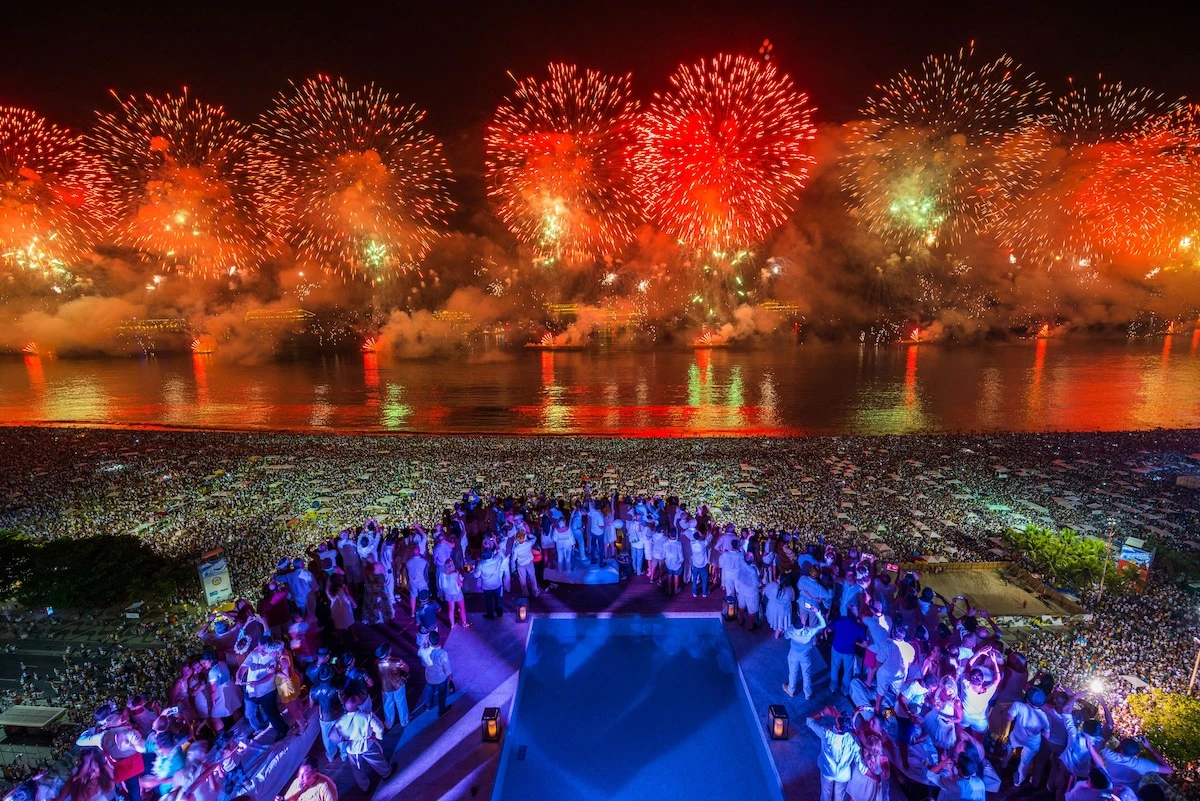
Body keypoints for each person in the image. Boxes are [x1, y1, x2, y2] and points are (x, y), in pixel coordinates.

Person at [330, 694, 391, 792]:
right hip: (368, 745)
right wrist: (377, 737)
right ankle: (387, 774)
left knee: (357, 769)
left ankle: (365, 787)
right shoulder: (367, 715)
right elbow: (379, 728)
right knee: (378, 760)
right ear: (357, 705)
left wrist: (344, 739)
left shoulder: (339, 721)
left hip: (352, 749)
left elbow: (332, 736)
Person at [237, 631, 290, 739]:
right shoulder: (254, 653)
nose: (259, 649)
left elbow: (271, 674)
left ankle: (282, 730)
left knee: (271, 713)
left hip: (267, 690)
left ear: (269, 647)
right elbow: (243, 667)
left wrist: (258, 682)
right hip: (251, 690)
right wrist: (239, 676)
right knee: (249, 713)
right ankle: (259, 728)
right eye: (259, 647)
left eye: (262, 648)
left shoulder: (273, 656)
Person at [807, 707, 861, 801]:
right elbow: (859, 759)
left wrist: (823, 713)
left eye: (836, 718)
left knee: (825, 795)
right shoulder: (853, 740)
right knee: (839, 797)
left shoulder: (826, 734)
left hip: (828, 771)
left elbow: (809, 721)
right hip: (843, 775)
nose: (835, 715)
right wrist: (855, 714)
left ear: (838, 726)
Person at [1003, 687, 1051, 787]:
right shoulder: (1044, 716)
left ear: (1028, 699)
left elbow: (1009, 718)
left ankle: (1003, 765)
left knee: (1009, 749)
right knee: (1025, 762)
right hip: (1033, 742)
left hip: (1017, 736)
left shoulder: (1018, 705)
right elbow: (1047, 735)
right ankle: (1018, 781)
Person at [783, 601, 826, 700]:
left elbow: (785, 637)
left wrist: (789, 628)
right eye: (802, 620)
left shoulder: (791, 631)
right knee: (806, 674)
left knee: (793, 672)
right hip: (805, 655)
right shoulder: (809, 631)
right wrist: (817, 612)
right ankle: (807, 693)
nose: (803, 619)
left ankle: (791, 689)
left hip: (793, 654)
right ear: (802, 625)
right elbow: (823, 624)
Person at [828, 608, 867, 697]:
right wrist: (856, 642)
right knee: (848, 671)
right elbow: (865, 645)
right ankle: (845, 690)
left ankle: (833, 687)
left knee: (835, 668)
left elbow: (829, 629)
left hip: (836, 648)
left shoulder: (840, 620)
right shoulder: (858, 627)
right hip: (849, 652)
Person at [309, 665, 343, 763]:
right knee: (341, 735)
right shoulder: (337, 688)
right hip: (338, 715)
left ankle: (330, 756)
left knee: (327, 738)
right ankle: (344, 755)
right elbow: (342, 701)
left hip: (324, 717)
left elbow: (311, 705)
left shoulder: (313, 690)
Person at [375, 643, 411, 729]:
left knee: (387, 705)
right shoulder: (397, 661)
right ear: (387, 652)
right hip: (398, 686)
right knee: (401, 703)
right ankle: (404, 721)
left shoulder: (376, 663)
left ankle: (388, 723)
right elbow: (407, 669)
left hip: (385, 687)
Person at [419, 630, 454, 717]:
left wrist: (424, 644)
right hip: (441, 678)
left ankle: (428, 706)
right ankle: (441, 710)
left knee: (429, 691)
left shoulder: (423, 651)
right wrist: (449, 675)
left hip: (429, 677)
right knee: (442, 695)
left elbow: (423, 664)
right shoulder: (443, 654)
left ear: (429, 641)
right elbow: (446, 667)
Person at [439, 559, 469, 630]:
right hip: (457, 594)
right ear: (451, 566)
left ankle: (452, 625)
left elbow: (440, 586)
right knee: (462, 608)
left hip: (448, 594)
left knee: (451, 610)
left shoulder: (441, 574)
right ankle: (464, 623)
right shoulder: (455, 574)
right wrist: (458, 576)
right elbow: (461, 584)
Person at [735, 550, 762, 629]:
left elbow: (741, 556)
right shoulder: (753, 570)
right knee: (751, 609)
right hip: (751, 592)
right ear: (752, 559)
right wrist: (761, 584)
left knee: (741, 605)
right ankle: (750, 625)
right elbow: (756, 583)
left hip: (742, 589)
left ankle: (741, 620)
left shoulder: (742, 563)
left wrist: (745, 541)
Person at [477, 548, 505, 619]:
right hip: (496, 584)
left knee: (488, 601)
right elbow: (499, 552)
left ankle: (490, 615)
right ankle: (499, 613)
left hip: (486, 586)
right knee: (498, 599)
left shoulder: (481, 564)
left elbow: (476, 575)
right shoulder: (496, 559)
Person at [512, 530, 538, 597]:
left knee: (522, 579)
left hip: (521, 565)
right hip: (529, 562)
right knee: (532, 576)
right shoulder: (529, 543)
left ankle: (525, 593)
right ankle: (535, 592)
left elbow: (513, 559)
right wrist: (529, 534)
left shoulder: (516, 549)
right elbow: (535, 538)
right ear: (524, 537)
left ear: (517, 539)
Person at [406, 546, 430, 618]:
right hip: (422, 582)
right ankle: (425, 611)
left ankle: (413, 612)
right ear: (419, 551)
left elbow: (407, 573)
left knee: (413, 597)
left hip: (413, 582)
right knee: (424, 597)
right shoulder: (423, 561)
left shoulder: (408, 562)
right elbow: (427, 569)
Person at [689, 527, 710, 597]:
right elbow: (709, 539)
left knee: (694, 579)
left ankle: (694, 593)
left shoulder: (692, 544)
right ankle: (704, 593)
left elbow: (693, 537)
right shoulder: (702, 544)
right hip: (703, 565)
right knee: (704, 580)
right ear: (699, 536)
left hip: (695, 565)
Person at [663, 531, 684, 596]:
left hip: (668, 563)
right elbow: (681, 554)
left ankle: (669, 590)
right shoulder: (679, 543)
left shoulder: (665, 543)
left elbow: (664, 554)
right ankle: (676, 589)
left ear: (669, 534)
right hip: (677, 563)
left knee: (669, 576)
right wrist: (681, 560)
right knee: (676, 576)